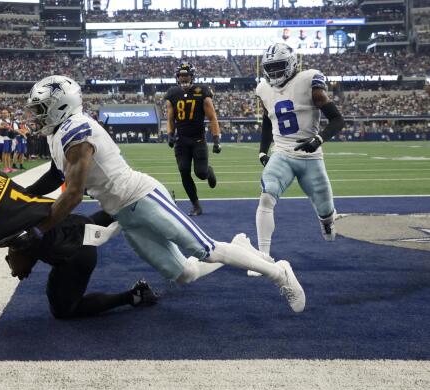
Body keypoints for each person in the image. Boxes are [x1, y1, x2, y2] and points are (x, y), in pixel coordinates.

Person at [27, 75, 306, 313]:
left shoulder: (76, 129)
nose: (37, 115)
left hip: (141, 197)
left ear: (61, 106)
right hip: (122, 213)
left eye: (41, 108)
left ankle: (279, 272)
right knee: (186, 274)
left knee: (207, 251)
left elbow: (73, 194)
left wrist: (38, 231)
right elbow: (56, 175)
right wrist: (19, 193)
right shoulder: (58, 133)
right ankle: (241, 247)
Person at [0, 157, 158, 319]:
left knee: (64, 311)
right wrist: (20, 250)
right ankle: (140, 205)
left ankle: (134, 295)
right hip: (69, 221)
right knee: (80, 228)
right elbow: (18, 214)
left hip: (72, 253)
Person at [251, 43, 344, 276]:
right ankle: (263, 258)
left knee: (326, 212)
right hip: (282, 153)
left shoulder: (309, 80)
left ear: (291, 63)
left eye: (278, 67)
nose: (273, 73)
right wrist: (263, 150)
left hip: (311, 156)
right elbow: (267, 120)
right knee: (266, 197)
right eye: (269, 68)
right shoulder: (263, 88)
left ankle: (327, 220)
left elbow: (337, 120)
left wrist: (318, 140)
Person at [165, 62, 221, 216]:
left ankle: (209, 172)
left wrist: (216, 139)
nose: (184, 78)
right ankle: (196, 205)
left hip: (198, 139)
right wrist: (170, 134)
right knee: (184, 171)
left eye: (186, 75)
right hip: (181, 140)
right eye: (181, 75)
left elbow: (212, 117)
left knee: (200, 173)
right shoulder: (172, 93)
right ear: (177, 77)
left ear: (192, 76)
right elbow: (170, 118)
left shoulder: (202, 91)